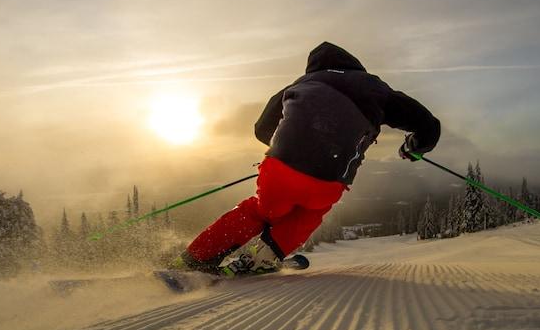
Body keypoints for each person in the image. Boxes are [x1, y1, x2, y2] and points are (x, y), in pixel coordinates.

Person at [171, 41, 441, 275]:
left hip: (279, 170)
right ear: (355, 66)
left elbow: (262, 129)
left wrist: (288, 151)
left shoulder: (301, 84)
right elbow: (428, 125)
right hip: (328, 180)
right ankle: (262, 259)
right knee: (310, 213)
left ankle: (196, 258)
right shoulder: (375, 88)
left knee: (260, 210)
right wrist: (414, 148)